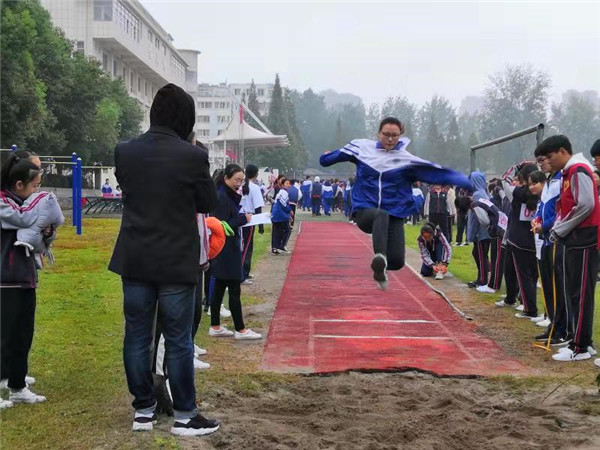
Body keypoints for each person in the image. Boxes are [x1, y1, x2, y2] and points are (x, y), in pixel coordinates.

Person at [108, 83, 220, 435]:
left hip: (136, 256)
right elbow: (207, 203)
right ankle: (185, 414)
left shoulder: (125, 151)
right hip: (175, 259)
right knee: (178, 338)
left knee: (137, 335)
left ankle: (143, 409)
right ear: (186, 118)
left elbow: (129, 190)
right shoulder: (192, 156)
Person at [320, 117, 472, 290]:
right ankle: (379, 257)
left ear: (400, 136)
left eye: (394, 135)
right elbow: (329, 159)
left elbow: (437, 172)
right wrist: (326, 157)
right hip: (365, 211)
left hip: (394, 215)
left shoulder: (407, 160)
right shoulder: (361, 147)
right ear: (378, 133)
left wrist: (468, 183)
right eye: (386, 134)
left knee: (398, 261)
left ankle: (381, 269)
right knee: (380, 214)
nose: (390, 139)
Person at [535, 136, 600, 362]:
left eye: (550, 157)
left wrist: (560, 228)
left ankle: (580, 346)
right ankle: (584, 342)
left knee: (580, 293)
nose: (548, 163)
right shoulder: (568, 173)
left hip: (584, 238)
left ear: (562, 152)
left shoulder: (578, 170)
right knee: (575, 292)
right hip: (575, 238)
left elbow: (586, 204)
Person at [0, 151, 55, 408]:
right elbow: (24, 217)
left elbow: (38, 237)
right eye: (34, 186)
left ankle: (17, 386)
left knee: (23, 334)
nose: (37, 191)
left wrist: (47, 230)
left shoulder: (23, 202)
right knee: (5, 335)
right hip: (5, 280)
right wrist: (42, 211)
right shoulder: (4, 203)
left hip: (24, 278)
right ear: (19, 184)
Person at [209, 164, 262, 341]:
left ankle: (215, 325)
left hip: (226, 247)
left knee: (219, 288)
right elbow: (221, 226)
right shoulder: (222, 197)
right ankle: (240, 329)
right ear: (226, 178)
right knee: (233, 288)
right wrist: (242, 218)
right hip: (225, 248)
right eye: (236, 180)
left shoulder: (228, 195)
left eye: (242, 180)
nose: (239, 184)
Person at [499, 163, 540, 319]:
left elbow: (504, 180)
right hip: (535, 240)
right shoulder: (542, 193)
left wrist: (516, 166)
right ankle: (528, 305)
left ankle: (529, 308)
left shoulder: (516, 193)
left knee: (523, 276)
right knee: (533, 275)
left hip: (518, 239)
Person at [240, 164, 265, 285]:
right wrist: (260, 225)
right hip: (250, 219)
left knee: (242, 246)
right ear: (255, 174)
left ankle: (244, 272)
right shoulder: (254, 187)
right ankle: (243, 274)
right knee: (247, 248)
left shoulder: (241, 185)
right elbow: (258, 207)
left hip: (239, 218)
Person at [466, 172, 491, 289]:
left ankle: (483, 279)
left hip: (481, 231)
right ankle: (484, 275)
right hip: (484, 231)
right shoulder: (483, 193)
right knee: (478, 253)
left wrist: (474, 232)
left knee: (480, 255)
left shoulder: (477, 194)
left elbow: (479, 215)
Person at [272, 178, 293, 254]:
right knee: (287, 230)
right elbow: (283, 204)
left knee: (277, 231)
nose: (288, 185)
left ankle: (275, 247)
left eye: (289, 183)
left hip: (276, 214)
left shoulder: (280, 192)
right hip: (280, 214)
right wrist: (289, 211)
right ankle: (282, 246)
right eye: (287, 183)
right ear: (283, 184)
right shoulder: (284, 192)